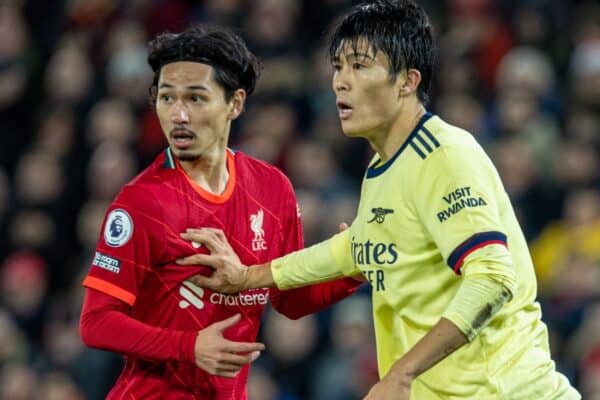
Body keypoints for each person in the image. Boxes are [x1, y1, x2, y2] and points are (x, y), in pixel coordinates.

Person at [178, 1, 582, 399]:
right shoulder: (382, 167)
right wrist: (248, 276)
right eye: (338, 67)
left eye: (359, 65)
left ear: (407, 81)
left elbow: (492, 279)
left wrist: (402, 374)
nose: (340, 81)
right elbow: (359, 248)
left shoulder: (444, 155)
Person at [79, 25, 362, 399]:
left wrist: (352, 267)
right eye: (167, 98)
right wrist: (188, 346)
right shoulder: (141, 203)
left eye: (196, 99)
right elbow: (96, 323)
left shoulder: (272, 189)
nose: (178, 115)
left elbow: (288, 299)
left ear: (235, 103)